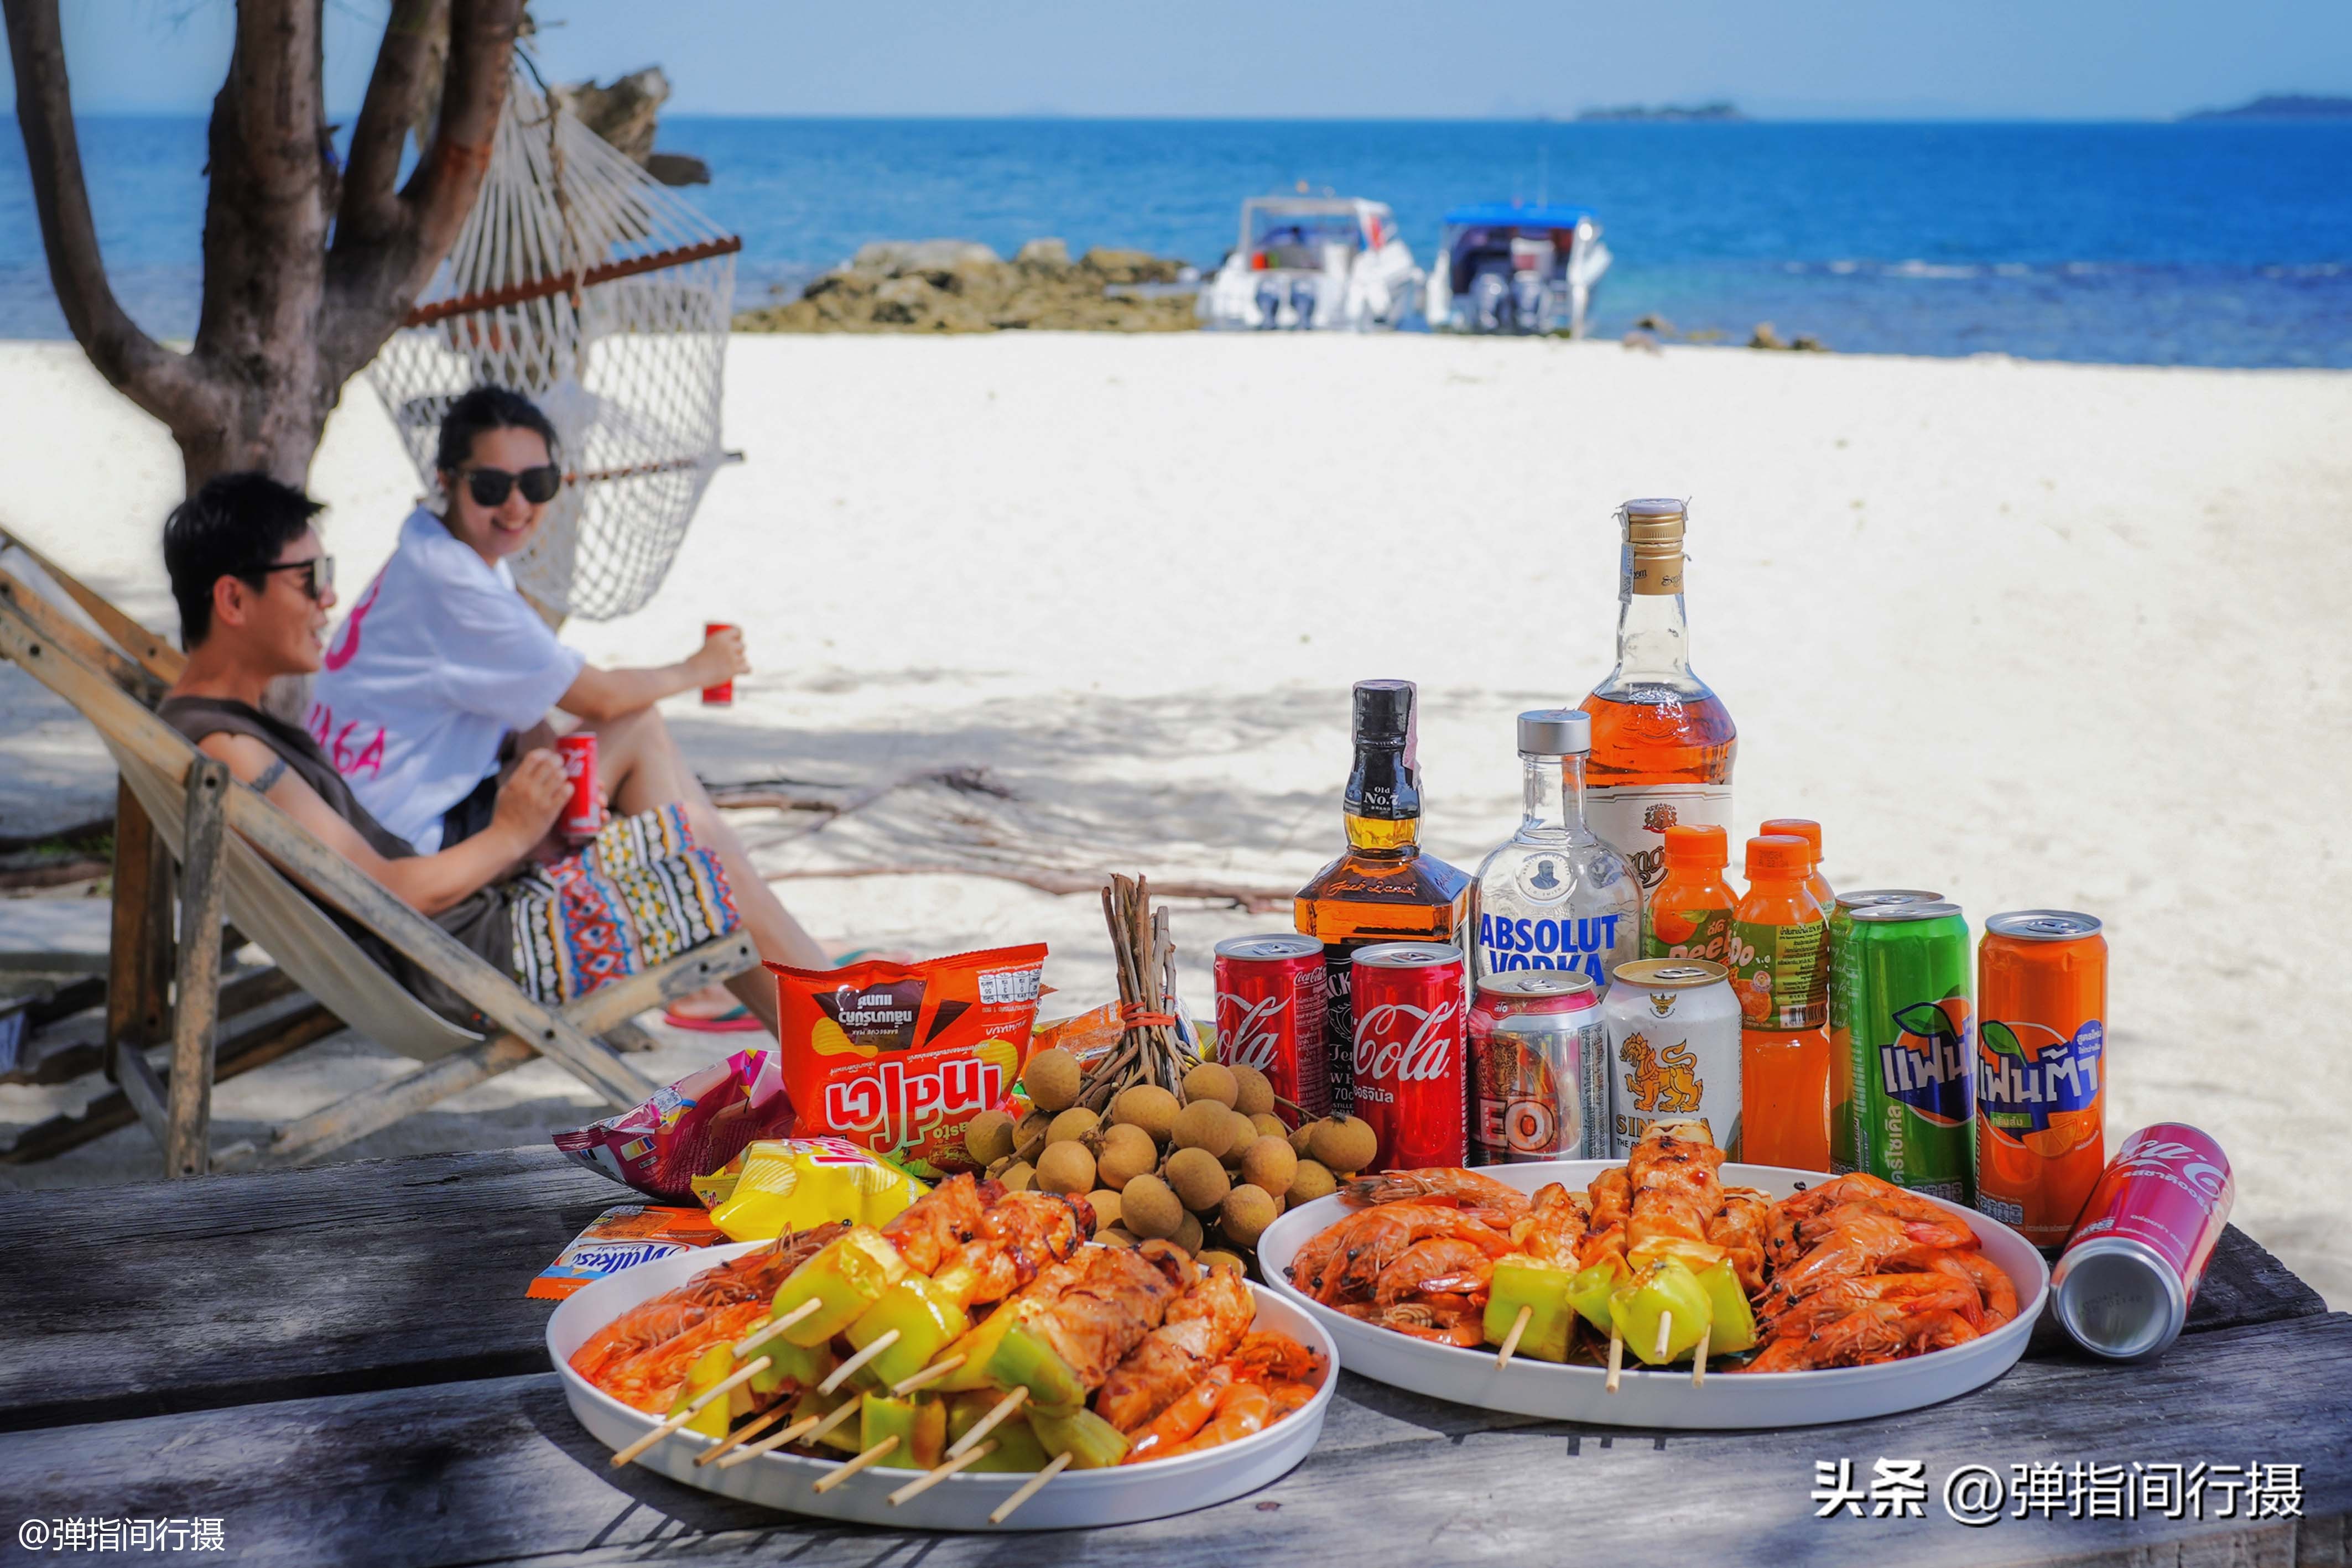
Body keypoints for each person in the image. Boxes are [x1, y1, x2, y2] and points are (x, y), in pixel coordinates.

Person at [157, 472, 780, 1032]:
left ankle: (824, 1043)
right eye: (310, 580)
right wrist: (512, 833)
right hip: (476, 960)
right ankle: (830, 1051)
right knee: (712, 864)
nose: (330, 600)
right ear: (233, 600)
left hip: (463, 935)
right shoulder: (232, 753)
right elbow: (387, 893)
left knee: (699, 845)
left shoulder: (209, 729)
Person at [307, 386, 834, 1028]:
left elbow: (526, 714)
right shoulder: (451, 583)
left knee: (653, 761)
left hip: (411, 823)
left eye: (537, 483)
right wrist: (701, 669)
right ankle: (823, 1013)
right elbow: (600, 696)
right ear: (445, 480)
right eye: (492, 487)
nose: (516, 505)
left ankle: (768, 966)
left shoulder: (434, 553)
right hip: (424, 863)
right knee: (683, 816)